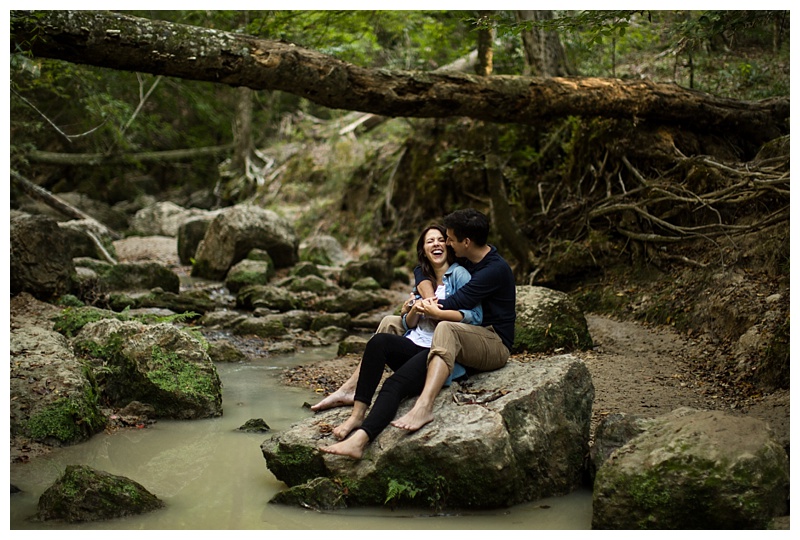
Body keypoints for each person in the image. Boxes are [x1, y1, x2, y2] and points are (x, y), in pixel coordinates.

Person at [319, 224, 482, 458]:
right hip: (415, 344)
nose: (435, 244)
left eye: (439, 240)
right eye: (429, 241)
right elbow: (409, 325)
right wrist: (414, 310)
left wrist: (438, 312)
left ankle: (360, 440)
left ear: (448, 246)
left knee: (392, 385)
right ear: (423, 250)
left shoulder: (459, 275)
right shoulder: (423, 281)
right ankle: (357, 414)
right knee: (377, 343)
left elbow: (475, 318)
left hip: (438, 353)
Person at [390, 208, 516, 432]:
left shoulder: (494, 270)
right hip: (470, 334)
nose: (446, 243)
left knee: (447, 327)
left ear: (466, 241)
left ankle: (424, 406)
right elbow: (422, 268)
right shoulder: (467, 258)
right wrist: (424, 297)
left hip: (494, 341)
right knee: (391, 322)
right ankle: (355, 388)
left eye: (449, 238)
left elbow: (453, 303)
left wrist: (423, 305)